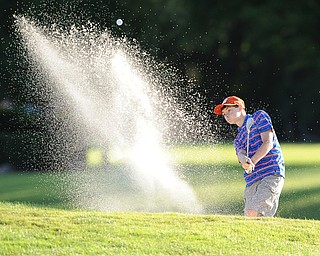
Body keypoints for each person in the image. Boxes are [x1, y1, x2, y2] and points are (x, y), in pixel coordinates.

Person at [213, 96, 285, 217]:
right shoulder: (238, 139)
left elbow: (268, 142)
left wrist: (252, 161)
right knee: (249, 216)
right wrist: (244, 161)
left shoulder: (259, 117)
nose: (226, 115)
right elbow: (241, 154)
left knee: (254, 212)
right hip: (252, 179)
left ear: (240, 107)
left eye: (229, 110)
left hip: (270, 174)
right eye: (224, 114)